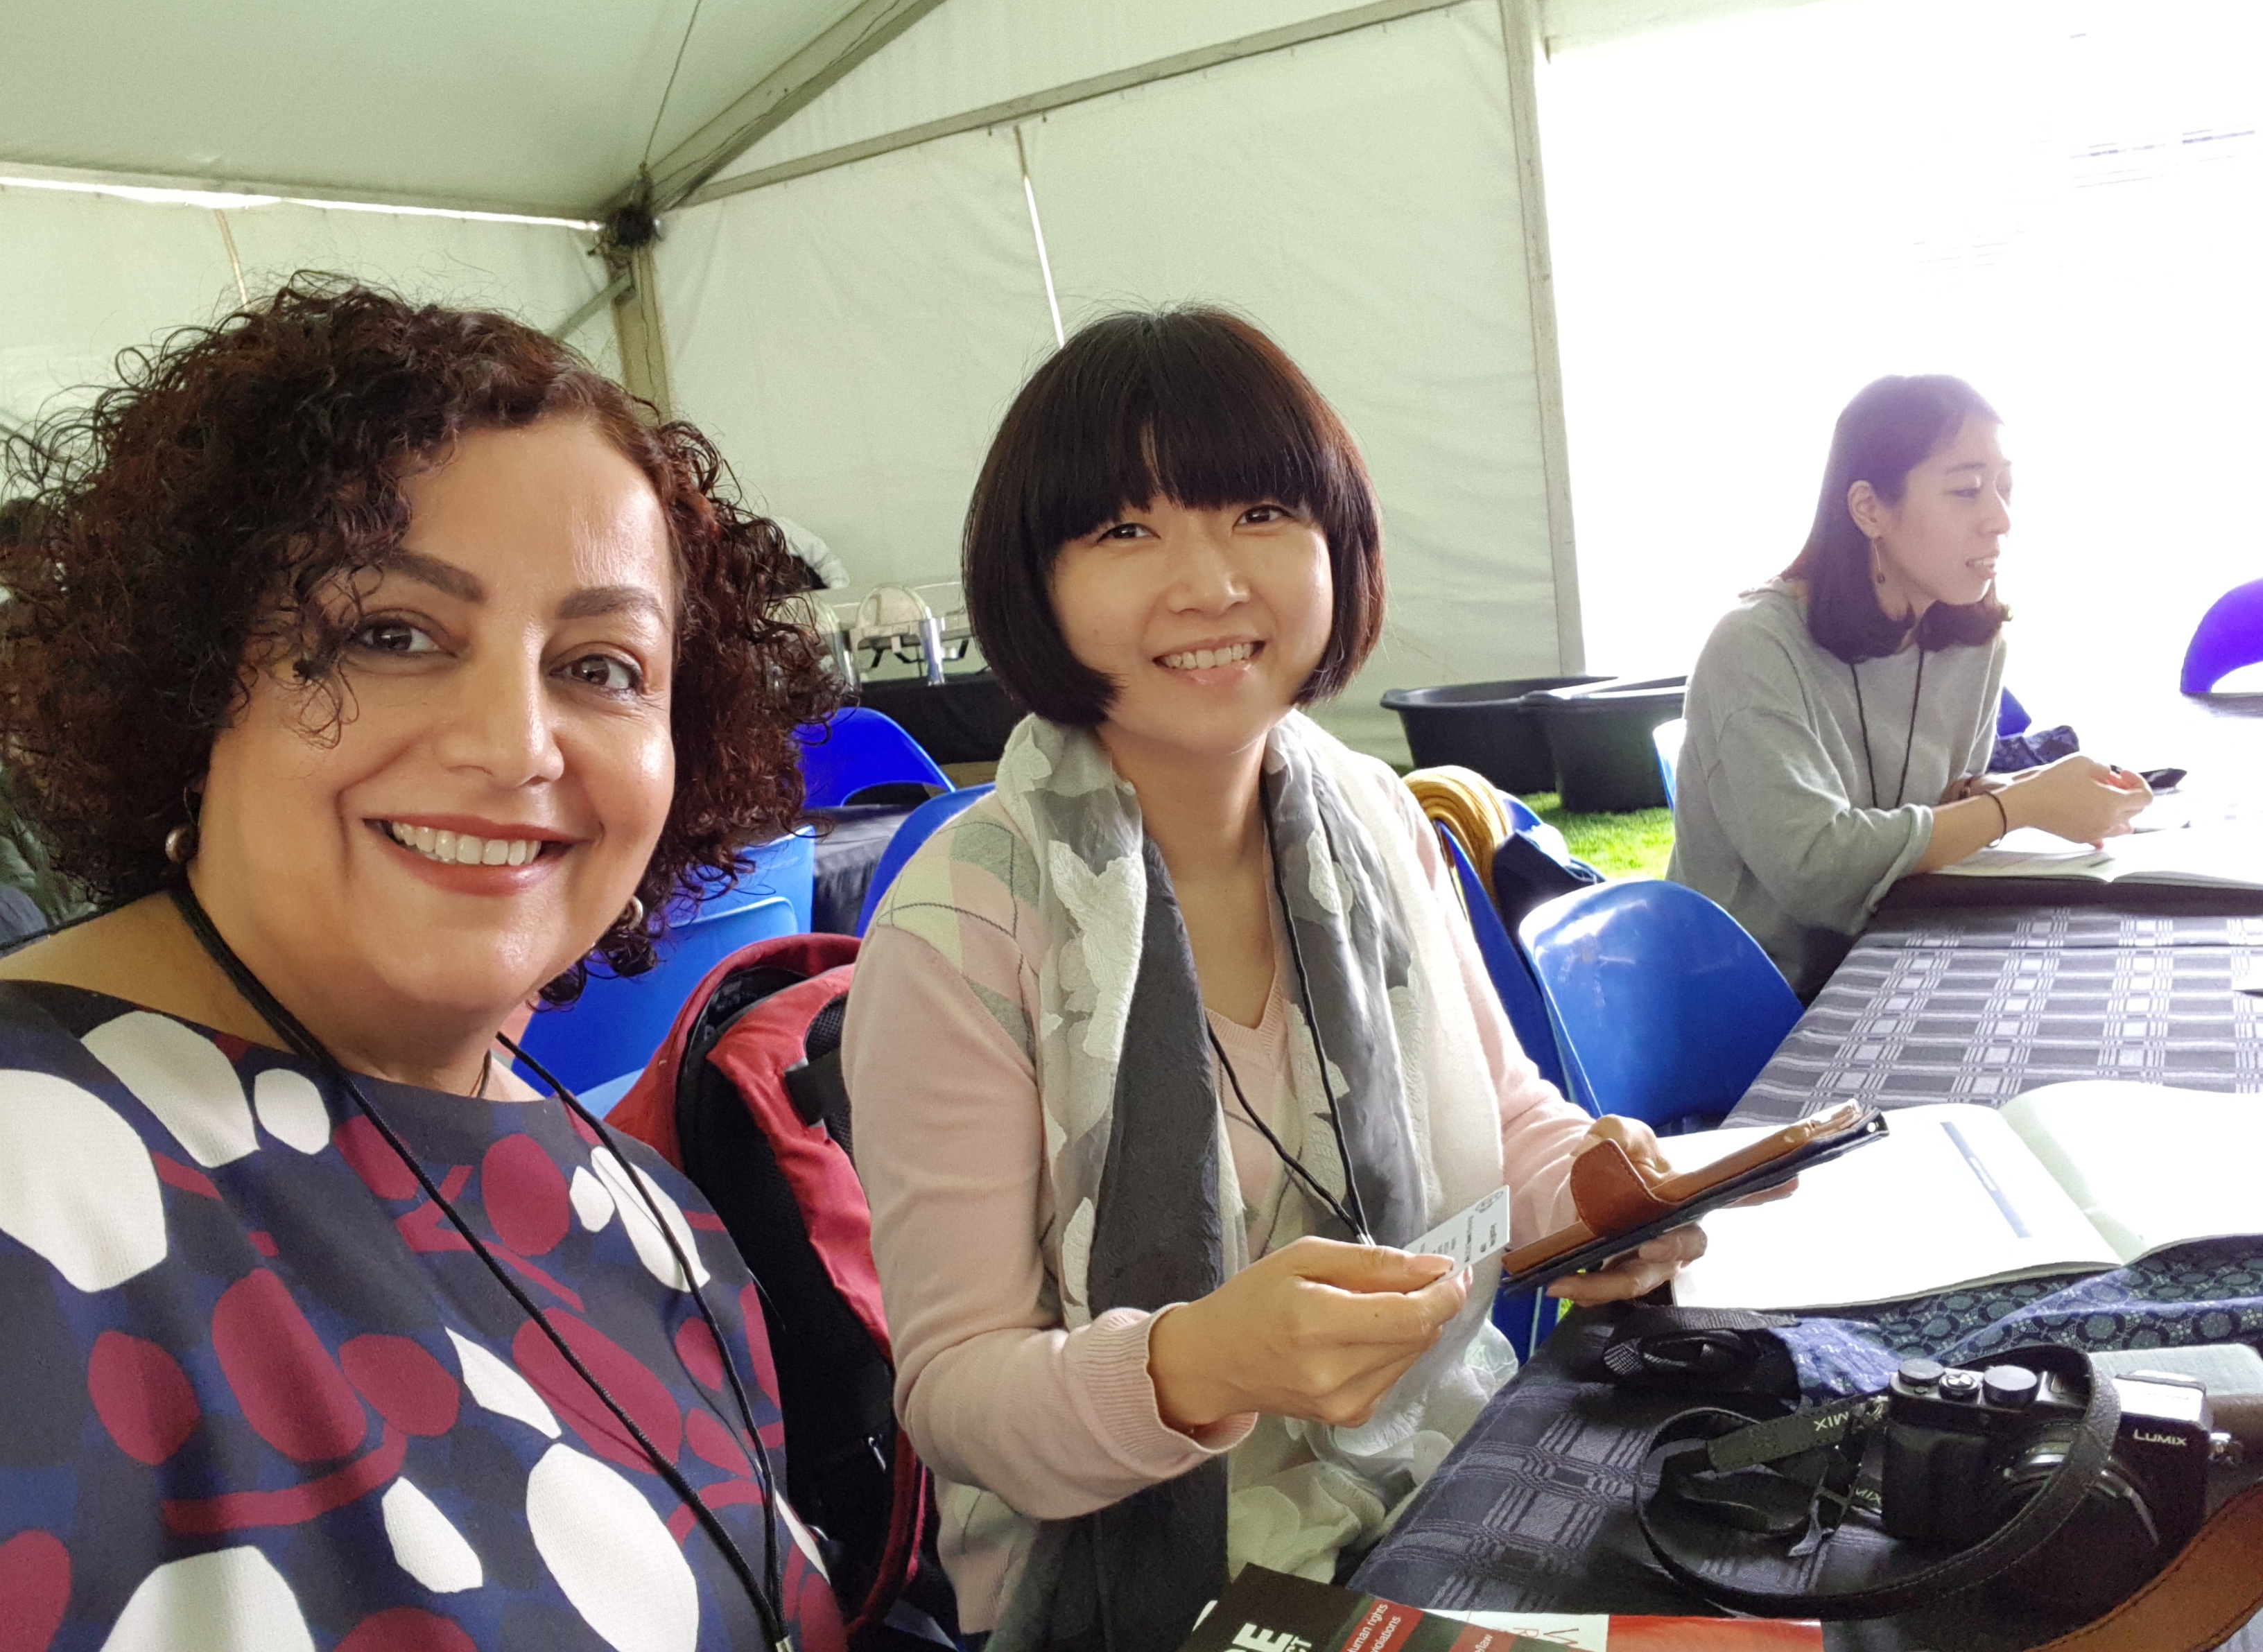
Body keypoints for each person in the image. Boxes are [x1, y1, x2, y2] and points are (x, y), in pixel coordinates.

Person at [840, 308, 1715, 1650]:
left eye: (1257, 511)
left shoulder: (1374, 818)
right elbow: (955, 1398)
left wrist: (1601, 1191)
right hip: (1151, 1597)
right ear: (1035, 580)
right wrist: (1188, 1367)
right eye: (1123, 530)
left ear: (1335, 546)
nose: (1206, 583)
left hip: (1454, 1477)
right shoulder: (958, 928)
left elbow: (1507, 1120)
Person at [0, 282, 849, 1651]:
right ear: (191, 678)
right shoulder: (33, 1180)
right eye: (391, 634)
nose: (514, 743)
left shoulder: (651, 1213)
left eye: (600, 666)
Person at [1668, 374, 2150, 998]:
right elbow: (1816, 870)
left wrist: (2015, 792)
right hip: (1757, 1005)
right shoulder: (1754, 648)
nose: (2001, 519)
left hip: (1893, 961)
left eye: (2005, 488)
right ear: (1870, 509)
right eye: (1967, 491)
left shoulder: (1973, 643)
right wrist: (2020, 808)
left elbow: (1930, 808)